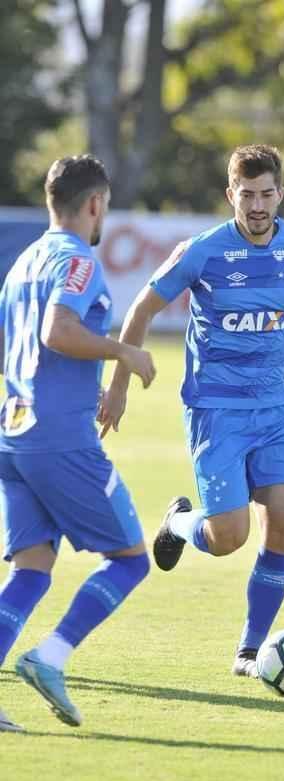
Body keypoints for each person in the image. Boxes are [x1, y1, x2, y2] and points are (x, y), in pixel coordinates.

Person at [99, 143, 284, 678]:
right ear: (231, 195)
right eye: (247, 195)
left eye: (266, 194)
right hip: (215, 410)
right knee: (229, 538)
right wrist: (119, 385)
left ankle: (250, 650)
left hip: (274, 410)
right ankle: (179, 522)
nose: (258, 205)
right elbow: (141, 310)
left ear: (280, 193)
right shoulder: (201, 252)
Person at [0, 155, 155, 733]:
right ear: (94, 204)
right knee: (131, 560)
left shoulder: (22, 264)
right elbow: (58, 331)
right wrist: (123, 352)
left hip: (13, 433)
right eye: (105, 207)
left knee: (32, 571)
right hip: (57, 439)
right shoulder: (78, 260)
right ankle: (51, 655)